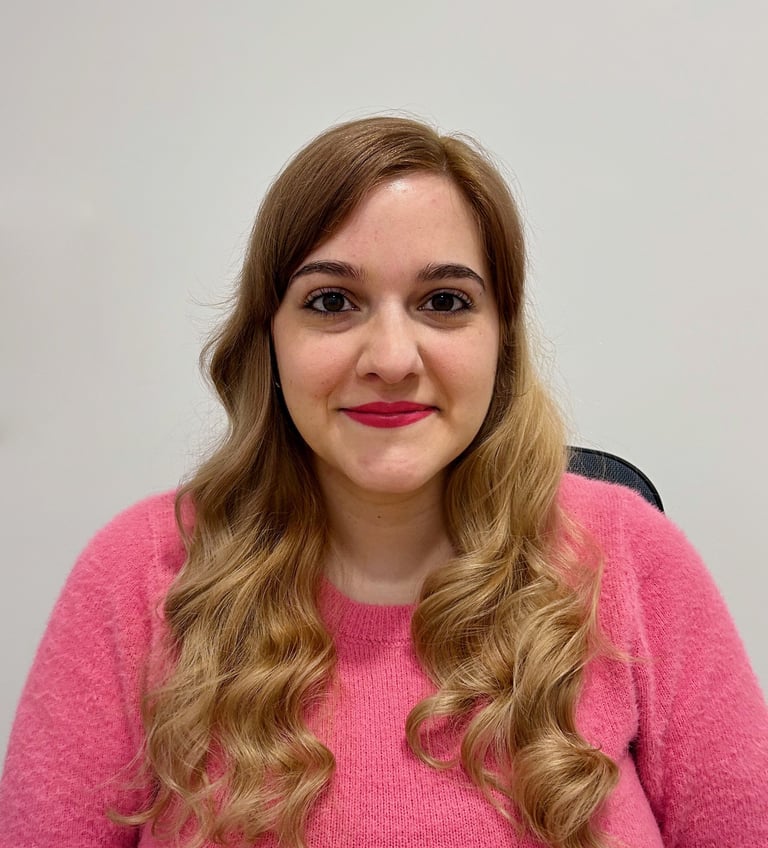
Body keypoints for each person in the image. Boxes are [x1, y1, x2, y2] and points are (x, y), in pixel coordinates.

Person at [1, 116, 766, 848]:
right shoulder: (142, 573)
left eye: (445, 302)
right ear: (268, 337)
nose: (393, 357)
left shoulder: (632, 560)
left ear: (502, 336)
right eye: (333, 302)